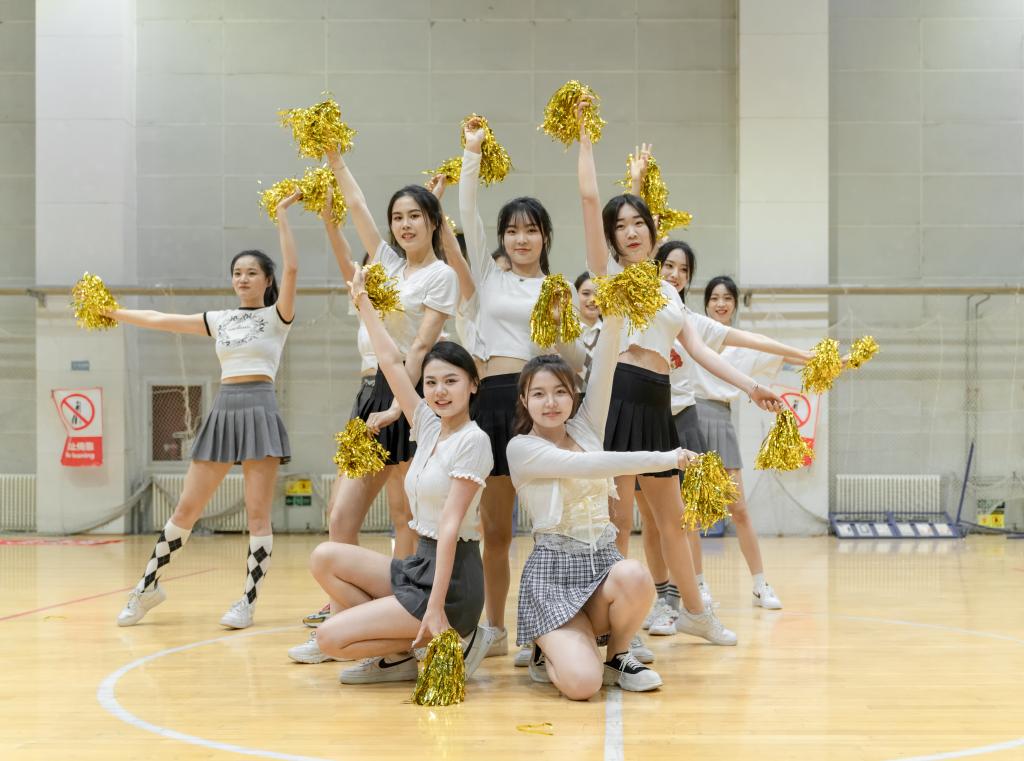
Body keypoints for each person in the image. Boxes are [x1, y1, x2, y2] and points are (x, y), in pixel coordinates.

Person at [578, 119, 784, 646]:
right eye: (620, 226)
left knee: (673, 521)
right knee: (619, 523)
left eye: (638, 223)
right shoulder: (610, 276)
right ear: (611, 237)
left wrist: (752, 387)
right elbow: (589, 199)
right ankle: (619, 624)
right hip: (622, 398)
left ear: (652, 230)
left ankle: (695, 612)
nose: (631, 231)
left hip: (659, 403)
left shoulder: (668, 292)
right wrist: (585, 139)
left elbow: (700, 351)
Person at [289, 264, 493, 685]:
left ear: (473, 385)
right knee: (325, 557)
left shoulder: (473, 441)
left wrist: (434, 606)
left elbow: (450, 528)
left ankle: (458, 636)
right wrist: (363, 301)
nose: (439, 391)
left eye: (451, 381)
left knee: (329, 638)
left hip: (452, 583)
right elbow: (390, 362)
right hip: (418, 565)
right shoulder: (428, 424)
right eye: (431, 382)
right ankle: (404, 652)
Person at [114, 190, 301, 628]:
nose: (243, 279)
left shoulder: (278, 316)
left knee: (257, 514)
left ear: (267, 280)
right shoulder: (219, 318)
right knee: (186, 509)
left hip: (260, 411)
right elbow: (161, 320)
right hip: (223, 410)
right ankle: (146, 588)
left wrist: (281, 216)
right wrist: (114, 312)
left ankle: (247, 603)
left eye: (252, 273)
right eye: (237, 273)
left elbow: (293, 267)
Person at [508, 308, 698, 699]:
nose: (550, 402)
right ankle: (546, 648)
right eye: (539, 394)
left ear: (573, 395)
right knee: (582, 685)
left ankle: (618, 655)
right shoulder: (521, 448)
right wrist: (668, 457)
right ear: (524, 400)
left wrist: (614, 308)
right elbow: (591, 465)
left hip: (599, 566)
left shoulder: (587, 426)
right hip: (552, 580)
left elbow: (607, 361)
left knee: (635, 575)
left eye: (560, 392)